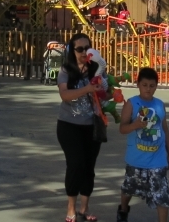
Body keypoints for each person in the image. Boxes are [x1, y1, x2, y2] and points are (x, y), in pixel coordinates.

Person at [56, 32, 104, 222]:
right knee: (75, 164)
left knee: (89, 166)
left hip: (92, 125)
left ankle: (84, 208)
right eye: (79, 49)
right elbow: (64, 95)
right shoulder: (66, 70)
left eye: (87, 48)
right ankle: (71, 208)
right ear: (72, 51)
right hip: (69, 125)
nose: (84, 52)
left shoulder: (98, 68)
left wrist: (108, 94)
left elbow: (104, 94)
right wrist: (88, 89)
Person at [117, 67, 169, 222]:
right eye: (145, 85)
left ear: (156, 86)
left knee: (162, 194)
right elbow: (122, 128)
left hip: (158, 159)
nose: (148, 89)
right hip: (136, 159)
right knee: (129, 188)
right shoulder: (131, 103)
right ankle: (123, 210)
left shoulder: (160, 104)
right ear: (138, 84)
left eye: (152, 85)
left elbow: (165, 130)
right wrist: (135, 125)